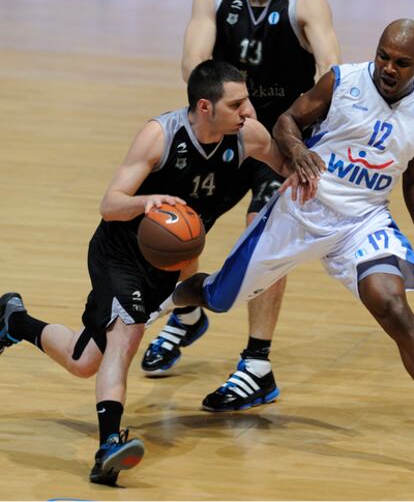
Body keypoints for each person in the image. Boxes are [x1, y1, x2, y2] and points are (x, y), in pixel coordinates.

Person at [0, 60, 314, 487]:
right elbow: (110, 204)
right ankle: (109, 445)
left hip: (163, 266)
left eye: (248, 102)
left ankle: (11, 319)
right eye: (237, 103)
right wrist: (147, 202)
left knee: (85, 361)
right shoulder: (160, 135)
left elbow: (290, 167)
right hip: (119, 253)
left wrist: (300, 177)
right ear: (205, 107)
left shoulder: (246, 136)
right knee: (126, 336)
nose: (248, 112)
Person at [141, 0, 341, 412]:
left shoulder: (306, 2)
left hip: (282, 138)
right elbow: (193, 66)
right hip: (232, 130)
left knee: (262, 234)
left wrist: (303, 134)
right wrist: (230, 115)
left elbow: (331, 72)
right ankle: (187, 314)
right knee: (179, 217)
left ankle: (257, 364)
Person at [151, 19, 414, 387]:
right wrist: (297, 149)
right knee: (218, 295)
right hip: (303, 207)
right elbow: (286, 120)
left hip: (362, 221)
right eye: (383, 56)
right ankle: (169, 302)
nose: (388, 67)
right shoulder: (343, 81)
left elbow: (412, 183)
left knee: (393, 308)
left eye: (401, 63)